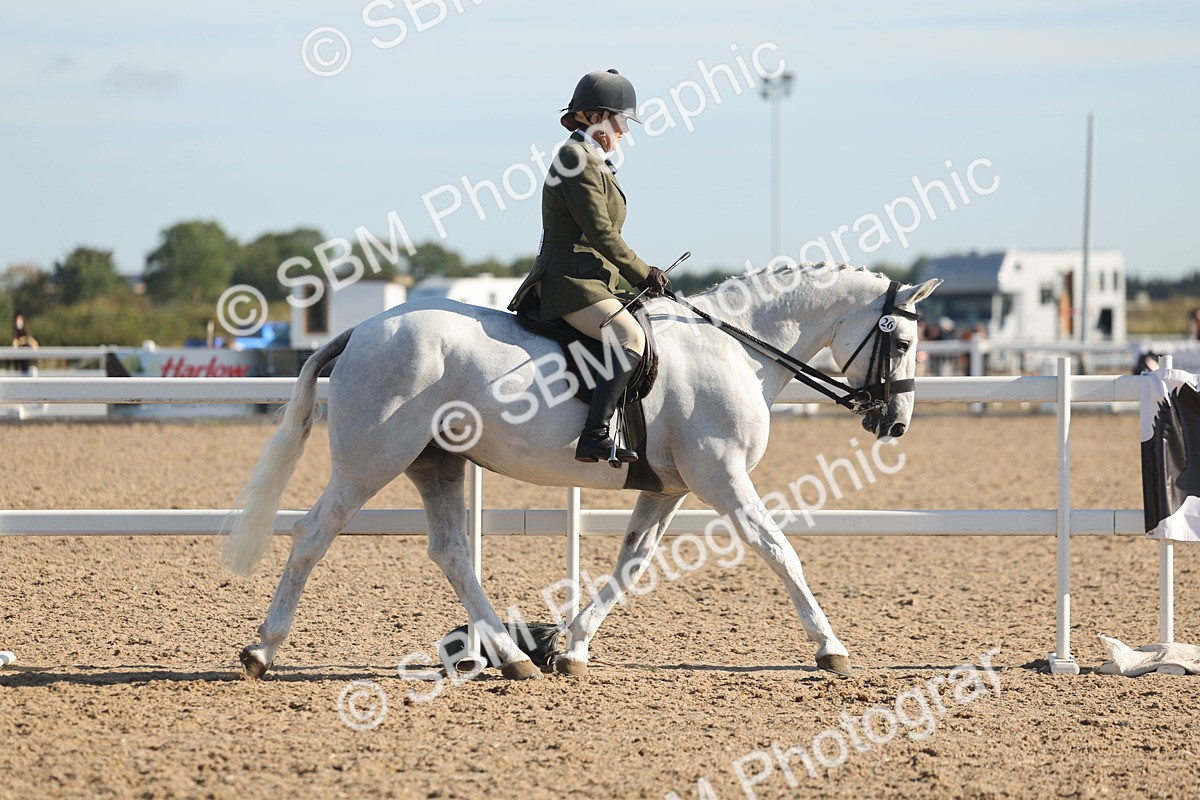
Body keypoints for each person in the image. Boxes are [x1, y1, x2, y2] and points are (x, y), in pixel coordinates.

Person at [509, 69, 670, 464]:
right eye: (621, 122)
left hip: (592, 280)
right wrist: (642, 272)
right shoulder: (574, 158)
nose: (625, 132)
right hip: (568, 281)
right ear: (594, 117)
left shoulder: (593, 161)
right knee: (630, 338)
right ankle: (594, 435)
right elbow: (600, 232)